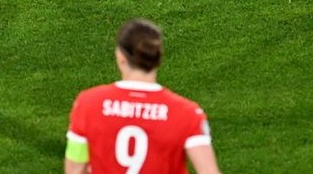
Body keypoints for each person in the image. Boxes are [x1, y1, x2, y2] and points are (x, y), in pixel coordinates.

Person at [65, 19, 222, 174]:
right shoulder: (187, 113)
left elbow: (74, 169)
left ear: (121, 57)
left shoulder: (88, 104)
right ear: (158, 57)